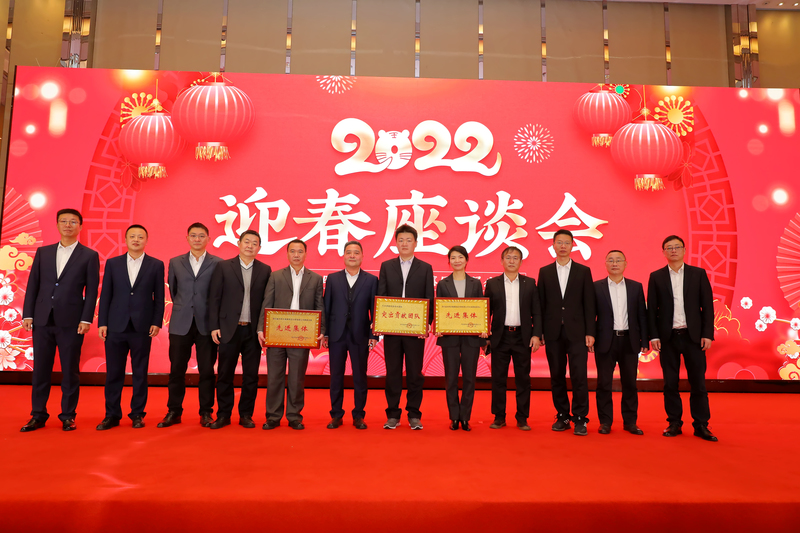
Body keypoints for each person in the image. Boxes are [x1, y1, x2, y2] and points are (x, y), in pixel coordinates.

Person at [20, 208, 100, 432]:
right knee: (40, 370)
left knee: (70, 371)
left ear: (80, 226)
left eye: (73, 222)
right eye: (63, 221)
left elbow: (92, 291)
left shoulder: (89, 255)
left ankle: (68, 415)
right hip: (42, 320)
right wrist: (28, 314)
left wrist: (86, 318)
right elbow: (33, 285)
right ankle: (38, 415)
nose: (68, 225)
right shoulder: (43, 252)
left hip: (72, 322)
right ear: (57, 225)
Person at [647, 235, 717, 442]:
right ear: (663, 252)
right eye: (669, 248)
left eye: (677, 247)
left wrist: (707, 334)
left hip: (693, 337)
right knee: (670, 383)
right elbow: (652, 310)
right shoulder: (656, 277)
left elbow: (707, 306)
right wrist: (654, 336)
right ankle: (674, 423)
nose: (673, 250)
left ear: (684, 250)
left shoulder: (698, 274)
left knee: (698, 383)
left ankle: (701, 425)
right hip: (668, 338)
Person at [96, 224, 165, 430]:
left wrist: (156, 322)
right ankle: (111, 415)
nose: (136, 240)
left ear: (146, 240)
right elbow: (106, 295)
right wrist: (102, 322)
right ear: (125, 240)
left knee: (140, 372)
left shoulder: (156, 265)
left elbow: (159, 297)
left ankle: (137, 414)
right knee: (113, 372)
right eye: (132, 236)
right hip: (115, 326)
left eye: (140, 237)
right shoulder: (113, 263)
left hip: (142, 326)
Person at [158, 223, 222, 428]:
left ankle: (206, 412)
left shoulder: (218, 263)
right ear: (187, 238)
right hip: (180, 323)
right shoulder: (176, 262)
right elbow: (174, 291)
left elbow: (218, 294)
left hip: (207, 325)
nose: (197, 239)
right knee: (177, 369)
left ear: (208, 239)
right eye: (193, 235)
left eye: (201, 236)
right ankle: (174, 411)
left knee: (207, 370)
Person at [207, 230, 271, 429]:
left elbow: (267, 302)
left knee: (251, 376)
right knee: (224, 374)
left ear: (259, 247)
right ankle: (223, 414)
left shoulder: (265, 270)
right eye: (247, 242)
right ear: (239, 243)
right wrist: (214, 326)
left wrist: (264, 329)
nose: (250, 246)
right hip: (228, 329)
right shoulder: (223, 267)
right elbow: (214, 298)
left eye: (255, 243)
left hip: (252, 331)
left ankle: (246, 414)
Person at [258, 239, 325, 430]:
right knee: (274, 377)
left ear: (305, 254)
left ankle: (294, 416)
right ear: (287, 254)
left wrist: (321, 330)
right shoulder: (276, 276)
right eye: (293, 251)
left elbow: (319, 306)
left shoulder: (315, 278)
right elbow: (267, 302)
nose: (296, 255)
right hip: (277, 333)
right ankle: (273, 416)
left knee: (297, 378)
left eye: (300, 251)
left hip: (301, 336)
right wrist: (261, 328)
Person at [538, 229, 596, 436]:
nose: (563, 246)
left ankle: (580, 417)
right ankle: (562, 415)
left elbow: (589, 304)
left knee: (579, 375)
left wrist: (590, 331)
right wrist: (540, 331)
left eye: (567, 243)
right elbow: (541, 305)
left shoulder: (583, 271)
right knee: (557, 375)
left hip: (578, 332)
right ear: (553, 245)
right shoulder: (545, 272)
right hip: (553, 332)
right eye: (559, 242)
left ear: (572, 245)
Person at [377, 224, 434, 430]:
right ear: (396, 243)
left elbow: (429, 297)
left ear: (416, 243)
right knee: (392, 372)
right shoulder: (386, 266)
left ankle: (414, 414)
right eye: (401, 240)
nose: (404, 243)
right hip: (392, 329)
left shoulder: (425, 268)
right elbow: (381, 295)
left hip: (415, 331)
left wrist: (425, 325)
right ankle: (393, 414)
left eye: (408, 240)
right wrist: (380, 321)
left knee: (414, 373)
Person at [484, 246, 542, 431]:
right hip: (499, 337)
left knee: (523, 379)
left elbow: (537, 312)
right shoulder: (492, 283)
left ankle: (522, 418)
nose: (511, 261)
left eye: (515, 258)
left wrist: (536, 335)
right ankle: (499, 417)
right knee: (498, 379)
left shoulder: (529, 283)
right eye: (508, 257)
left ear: (521, 262)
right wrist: (485, 336)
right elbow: (486, 311)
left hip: (522, 337)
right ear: (502, 261)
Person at [322, 240, 378, 430]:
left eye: (356, 252)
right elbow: (327, 307)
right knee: (336, 376)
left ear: (362, 256)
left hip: (360, 335)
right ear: (343, 256)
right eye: (349, 252)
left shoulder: (371, 280)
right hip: (336, 335)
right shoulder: (333, 278)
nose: (352, 255)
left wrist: (373, 335)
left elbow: (375, 310)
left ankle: (359, 415)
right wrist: (325, 333)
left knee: (360, 376)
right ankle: (336, 415)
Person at [594, 250, 648, 435]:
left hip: (629, 341)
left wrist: (644, 340)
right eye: (611, 260)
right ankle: (605, 422)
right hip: (604, 341)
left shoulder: (636, 287)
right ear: (605, 264)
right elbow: (590, 315)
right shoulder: (596, 287)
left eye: (618, 260)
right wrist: (590, 336)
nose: (614, 263)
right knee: (604, 383)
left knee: (630, 383)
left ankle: (630, 422)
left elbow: (642, 315)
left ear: (625, 264)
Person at [435, 245, 487, 431]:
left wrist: (483, 329)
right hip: (449, 338)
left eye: (460, 257)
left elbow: (480, 309)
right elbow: (439, 309)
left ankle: (465, 417)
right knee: (450, 379)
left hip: (471, 338)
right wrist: (438, 327)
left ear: (466, 260)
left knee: (469, 378)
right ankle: (454, 417)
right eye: (453, 258)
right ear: (449, 262)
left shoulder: (475, 283)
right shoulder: (443, 284)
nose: (457, 261)